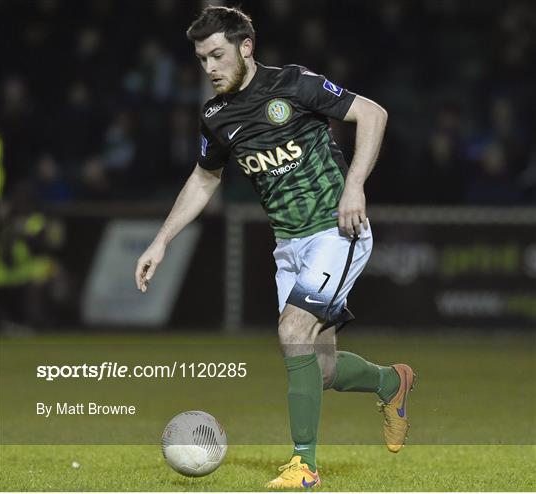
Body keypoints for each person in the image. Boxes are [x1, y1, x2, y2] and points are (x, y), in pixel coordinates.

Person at [135, 6, 415, 489]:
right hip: (289, 246)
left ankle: (303, 466)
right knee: (321, 370)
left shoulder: (293, 83)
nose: (210, 68)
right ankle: (393, 382)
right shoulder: (216, 117)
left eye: (217, 55)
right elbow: (204, 179)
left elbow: (372, 113)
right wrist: (161, 240)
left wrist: (355, 187)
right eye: (202, 59)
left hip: (337, 229)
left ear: (246, 47)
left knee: (292, 329)